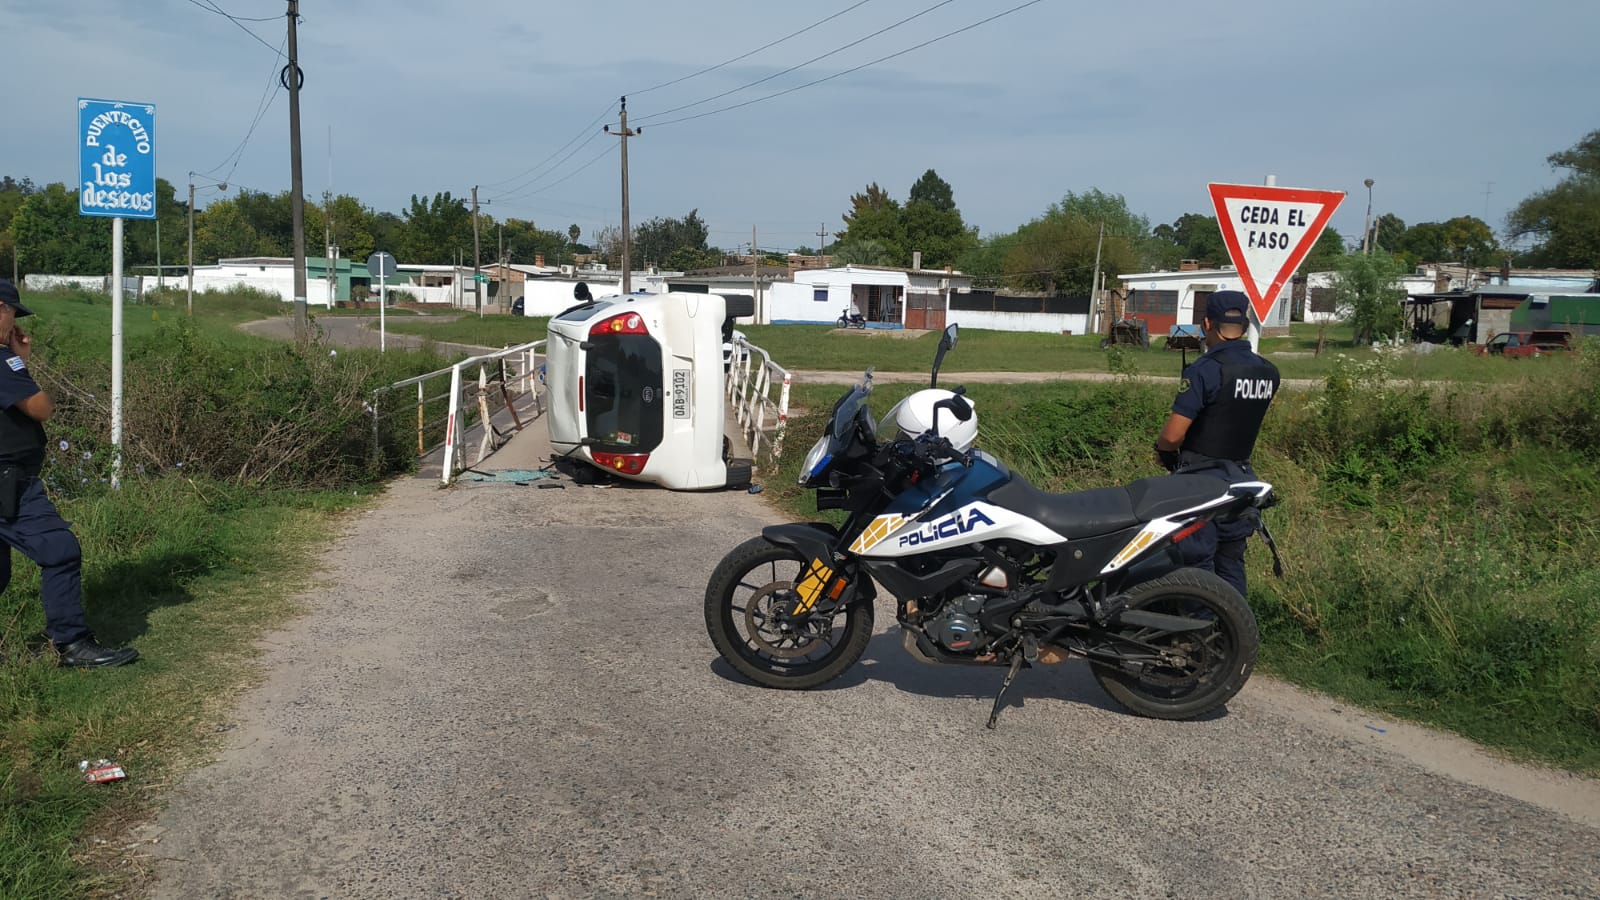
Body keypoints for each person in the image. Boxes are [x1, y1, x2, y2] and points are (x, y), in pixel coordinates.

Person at [0, 280, 137, 668]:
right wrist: (20, 359)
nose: (15, 326)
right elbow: (40, 408)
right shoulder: (3, 362)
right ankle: (73, 644)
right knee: (59, 549)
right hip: (9, 481)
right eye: (14, 315)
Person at [1153, 290, 1280, 599]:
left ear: (1207, 323)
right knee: (1231, 562)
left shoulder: (1205, 370)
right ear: (1245, 325)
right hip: (1241, 482)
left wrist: (1164, 452)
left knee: (1197, 566)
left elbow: (1172, 436)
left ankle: (1199, 627)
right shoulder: (1268, 372)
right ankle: (1234, 625)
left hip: (1201, 485)